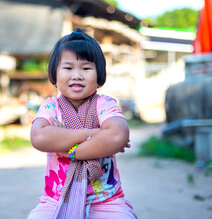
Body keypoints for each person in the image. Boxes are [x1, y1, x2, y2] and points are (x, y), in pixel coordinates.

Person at [27, 28, 138, 219]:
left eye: (86, 68)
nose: (77, 75)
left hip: (106, 200)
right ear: (55, 74)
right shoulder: (51, 106)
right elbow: (39, 137)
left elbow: (119, 135)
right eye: (68, 68)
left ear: (99, 74)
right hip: (56, 199)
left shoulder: (104, 104)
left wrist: (71, 151)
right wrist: (93, 134)